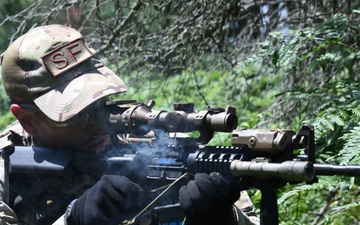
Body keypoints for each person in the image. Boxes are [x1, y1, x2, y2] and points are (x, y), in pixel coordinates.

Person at [0, 24, 260, 225]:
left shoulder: (147, 146)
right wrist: (72, 219)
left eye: (101, 104)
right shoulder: (6, 170)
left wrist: (223, 217)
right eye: (76, 114)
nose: (97, 125)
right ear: (27, 119)